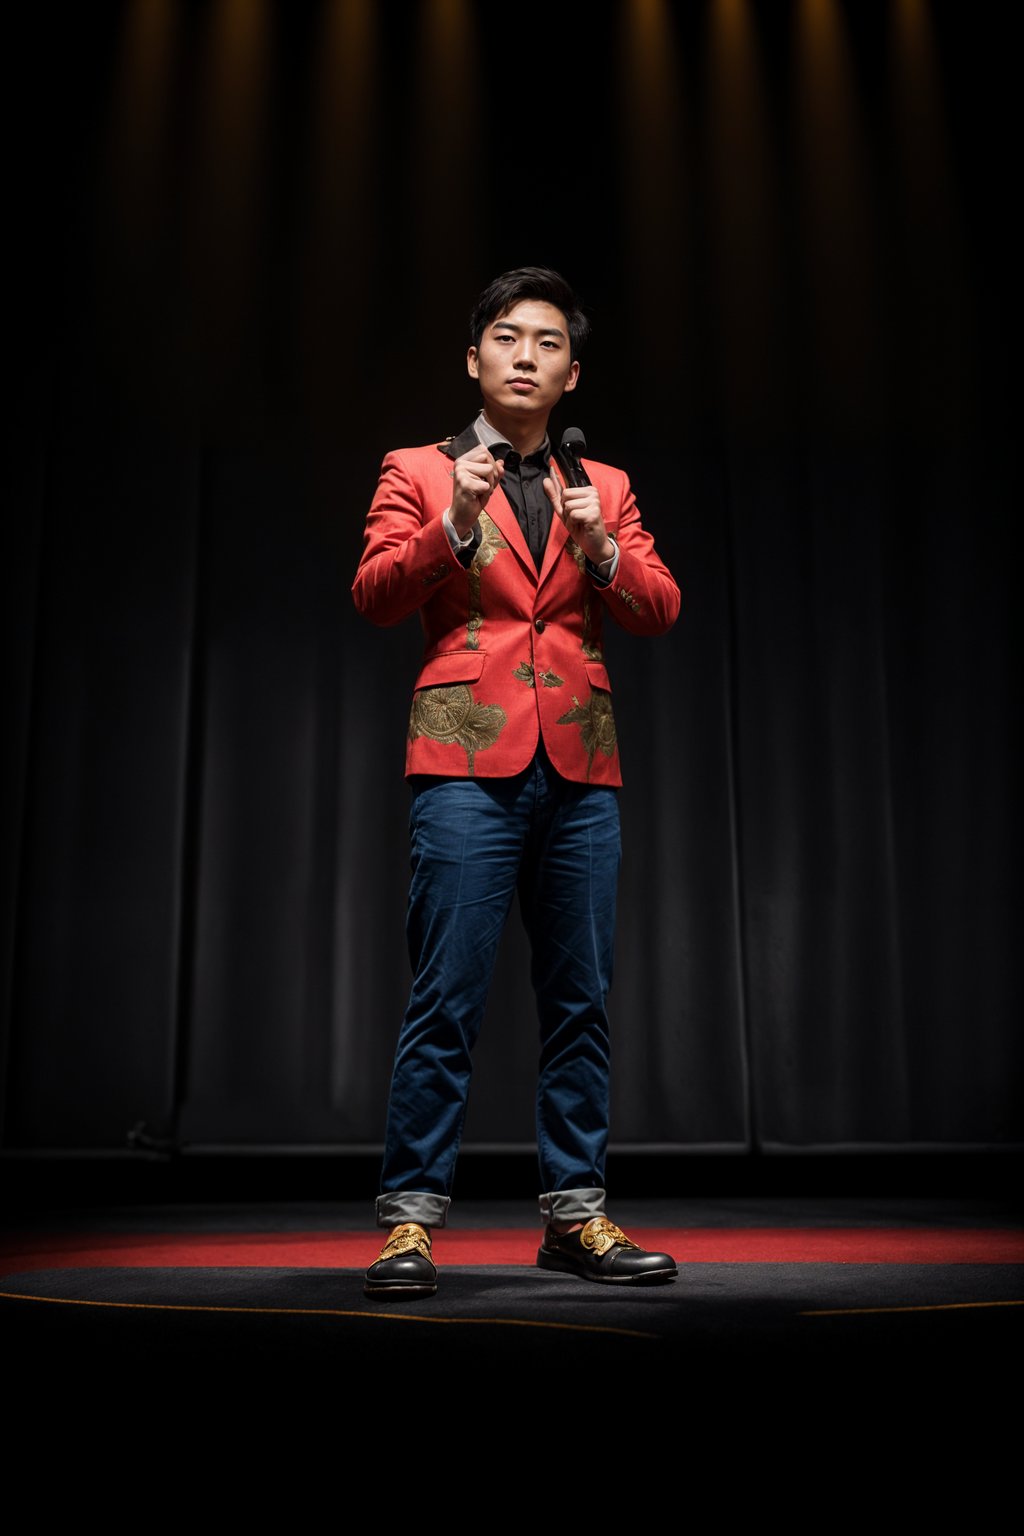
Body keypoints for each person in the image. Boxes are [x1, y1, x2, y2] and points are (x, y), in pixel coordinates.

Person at [352, 266, 681, 1298]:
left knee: (579, 1000)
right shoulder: (418, 467)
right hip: (462, 757)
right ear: (473, 358)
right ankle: (409, 1223)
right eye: (506, 337)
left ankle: (574, 1219)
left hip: (580, 762)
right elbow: (371, 593)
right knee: (444, 998)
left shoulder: (608, 486)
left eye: (546, 343)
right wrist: (452, 526)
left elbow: (659, 608)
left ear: (571, 373)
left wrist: (602, 553)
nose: (525, 355)